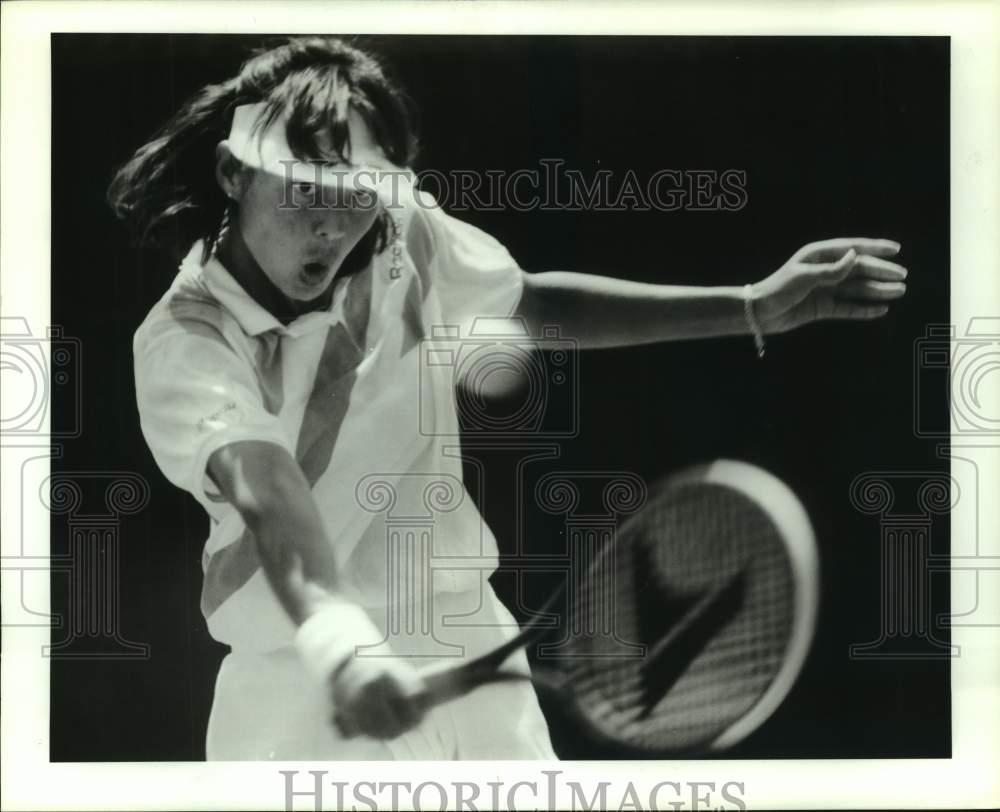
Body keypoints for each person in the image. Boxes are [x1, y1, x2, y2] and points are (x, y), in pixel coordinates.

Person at [109, 36, 907, 760]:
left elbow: (527, 303)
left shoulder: (403, 238)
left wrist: (750, 306)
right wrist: (344, 647)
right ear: (232, 173)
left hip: (473, 649)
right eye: (303, 190)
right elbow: (271, 493)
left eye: (354, 192)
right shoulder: (187, 343)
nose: (329, 224)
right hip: (300, 692)